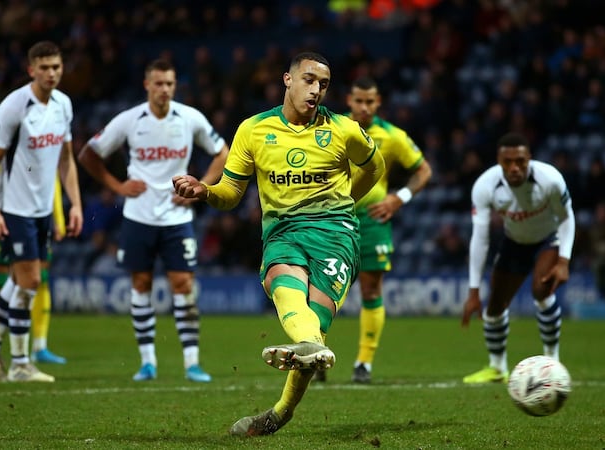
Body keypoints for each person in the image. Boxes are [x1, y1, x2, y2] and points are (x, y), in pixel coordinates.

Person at [173, 51, 384, 436]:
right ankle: (306, 347)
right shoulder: (253, 130)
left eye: (323, 84)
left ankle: (281, 412)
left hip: (336, 235)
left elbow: (375, 167)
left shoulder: (343, 129)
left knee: (314, 331)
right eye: (309, 79)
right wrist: (205, 190)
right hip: (283, 232)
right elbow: (231, 192)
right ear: (287, 79)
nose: (317, 89)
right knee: (287, 292)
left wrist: (347, 201)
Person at [78, 58, 229, 383]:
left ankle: (192, 363)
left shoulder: (190, 118)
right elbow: (88, 154)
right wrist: (117, 186)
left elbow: (222, 152)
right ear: (147, 85)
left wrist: (199, 185)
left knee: (183, 284)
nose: (165, 90)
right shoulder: (130, 120)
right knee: (141, 284)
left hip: (177, 217)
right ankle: (148, 362)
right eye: (159, 83)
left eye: (170, 84)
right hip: (138, 216)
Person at [0, 41, 83, 383]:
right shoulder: (14, 106)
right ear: (31, 69)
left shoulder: (63, 104)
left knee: (22, 282)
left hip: (42, 211)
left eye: (56, 67)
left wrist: (74, 203)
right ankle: (19, 362)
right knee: (31, 280)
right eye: (45, 67)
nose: (51, 73)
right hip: (16, 208)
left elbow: (66, 159)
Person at [315, 76, 432, 383]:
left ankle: (363, 363)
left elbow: (424, 170)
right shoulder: (333, 128)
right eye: (359, 101)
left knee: (370, 289)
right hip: (332, 218)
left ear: (378, 103)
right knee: (322, 289)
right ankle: (317, 354)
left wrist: (398, 198)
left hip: (373, 220)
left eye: (370, 102)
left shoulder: (392, 136)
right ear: (349, 102)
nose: (364, 107)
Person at [461, 132, 574, 383]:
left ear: (529, 158)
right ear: (499, 161)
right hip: (514, 242)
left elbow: (566, 218)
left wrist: (564, 261)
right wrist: (473, 291)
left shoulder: (551, 179)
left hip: (548, 239)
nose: (514, 167)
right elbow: (480, 238)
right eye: (508, 162)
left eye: (520, 161)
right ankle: (498, 368)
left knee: (541, 291)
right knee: (493, 309)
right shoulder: (485, 186)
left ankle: (552, 363)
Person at [0, 127, 69, 365]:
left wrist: (58, 216)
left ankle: (39, 346)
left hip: (38, 216)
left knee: (39, 277)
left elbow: (50, 177)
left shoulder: (44, 136)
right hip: (5, 213)